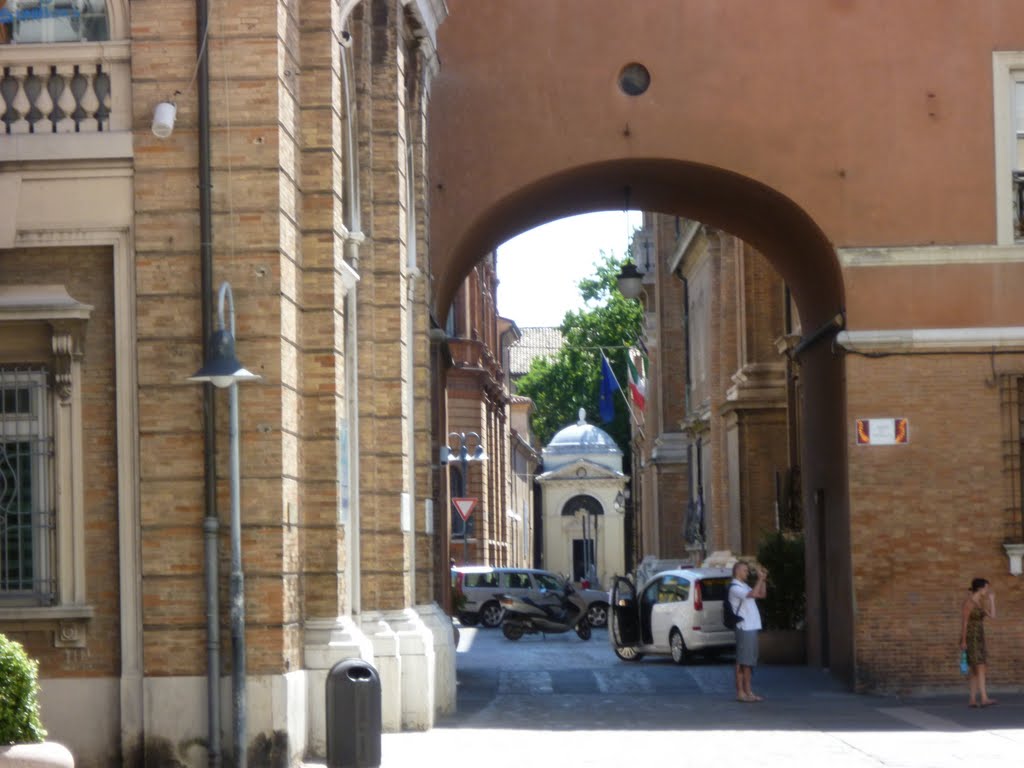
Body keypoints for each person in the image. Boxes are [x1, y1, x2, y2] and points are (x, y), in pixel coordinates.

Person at [729, 560, 768, 703]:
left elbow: (761, 594)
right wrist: (759, 579)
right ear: (738, 571)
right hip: (744, 627)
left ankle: (748, 691)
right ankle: (741, 692)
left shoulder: (743, 585)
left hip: (751, 626)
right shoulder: (734, 587)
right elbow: (752, 594)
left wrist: (763, 580)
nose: (747, 573)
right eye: (745, 570)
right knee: (742, 661)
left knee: (749, 661)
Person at [960, 577, 996, 707]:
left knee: (976, 669)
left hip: (980, 637)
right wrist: (963, 641)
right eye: (986, 587)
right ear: (981, 588)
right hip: (971, 637)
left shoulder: (980, 602)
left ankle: (973, 699)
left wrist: (992, 600)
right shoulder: (968, 603)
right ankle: (984, 698)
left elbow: (992, 616)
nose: (987, 590)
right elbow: (964, 622)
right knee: (980, 667)